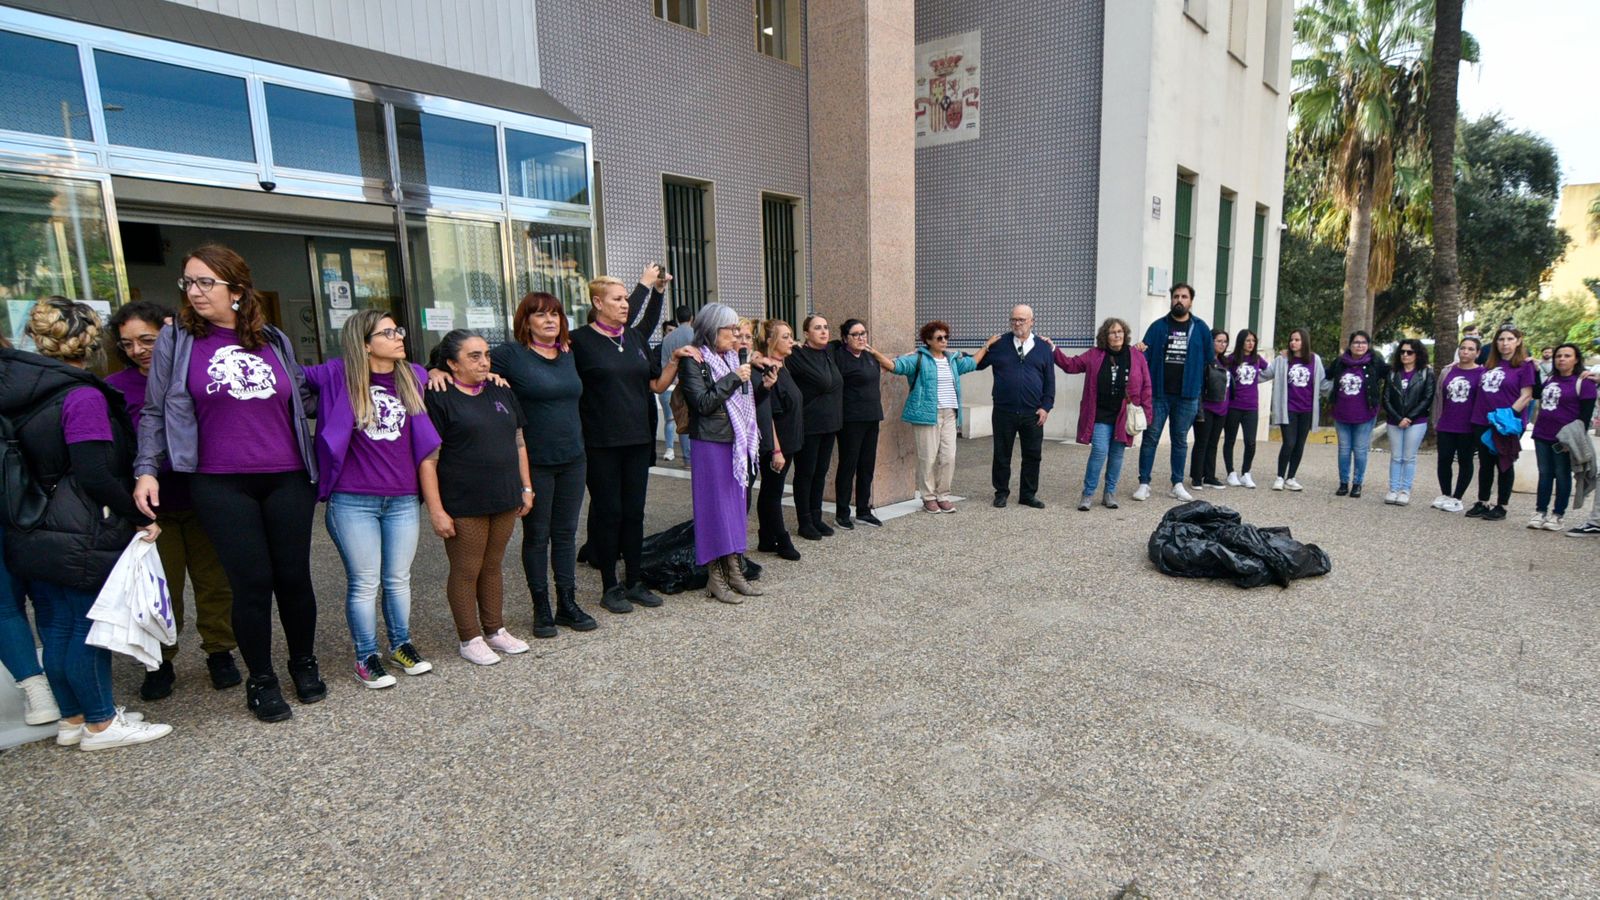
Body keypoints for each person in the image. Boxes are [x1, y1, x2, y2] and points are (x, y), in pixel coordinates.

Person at [134, 244, 324, 723]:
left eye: (205, 283)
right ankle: (261, 681)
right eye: (189, 283)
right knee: (251, 584)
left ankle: (303, 662)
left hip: (287, 477)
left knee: (295, 578)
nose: (194, 292)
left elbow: (301, 395)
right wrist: (146, 468)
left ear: (237, 290)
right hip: (220, 482)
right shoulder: (177, 342)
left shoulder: (273, 338)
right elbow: (155, 410)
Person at [4, 298, 170, 750]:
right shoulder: (81, 396)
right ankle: (100, 722)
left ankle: (72, 719)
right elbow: (94, 471)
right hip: (78, 528)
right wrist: (139, 515)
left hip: (30, 522)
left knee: (55, 625)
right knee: (84, 627)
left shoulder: (20, 394)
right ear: (92, 341)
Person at [105, 301, 239, 701]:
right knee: (160, 590)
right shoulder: (114, 388)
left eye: (147, 339)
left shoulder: (194, 372)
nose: (138, 350)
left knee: (215, 582)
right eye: (127, 343)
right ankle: (159, 661)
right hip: (151, 508)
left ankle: (220, 652)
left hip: (203, 496)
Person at [300, 311, 441, 688]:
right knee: (364, 582)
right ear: (364, 343)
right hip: (352, 501)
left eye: (399, 329)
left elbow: (440, 373)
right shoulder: (335, 374)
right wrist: (317, 407)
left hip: (401, 498)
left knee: (398, 579)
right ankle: (366, 656)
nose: (399, 337)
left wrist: (443, 372)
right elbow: (287, 378)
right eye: (388, 332)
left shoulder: (413, 376)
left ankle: (402, 645)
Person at [570, 266, 686, 614]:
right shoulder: (579, 341)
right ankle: (610, 585)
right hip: (601, 442)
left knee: (634, 512)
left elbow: (654, 379)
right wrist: (643, 285)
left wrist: (676, 358)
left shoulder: (632, 339)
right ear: (597, 302)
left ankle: (634, 580)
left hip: (637, 439)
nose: (623, 305)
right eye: (617, 299)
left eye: (625, 299)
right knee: (610, 512)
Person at [422, 330, 536, 664]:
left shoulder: (500, 388)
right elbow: (429, 459)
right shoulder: (438, 394)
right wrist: (436, 510)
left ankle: (494, 630)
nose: (484, 361)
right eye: (474, 356)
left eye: (486, 354)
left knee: (493, 566)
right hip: (463, 500)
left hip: (503, 494)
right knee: (466, 569)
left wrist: (526, 487)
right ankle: (468, 637)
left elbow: (518, 441)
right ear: (452, 364)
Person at [493, 292, 594, 637]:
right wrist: (434, 371)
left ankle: (567, 602)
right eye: (540, 315)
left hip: (573, 458)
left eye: (555, 314)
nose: (550, 320)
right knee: (537, 536)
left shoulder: (569, 354)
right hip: (534, 462)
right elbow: (458, 361)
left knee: (565, 534)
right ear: (526, 321)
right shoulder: (510, 355)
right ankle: (542, 608)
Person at [677, 304, 764, 603]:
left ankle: (735, 572)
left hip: (735, 444)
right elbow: (701, 403)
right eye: (731, 329)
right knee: (713, 511)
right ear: (713, 330)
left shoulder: (730, 358)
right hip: (710, 442)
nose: (737, 335)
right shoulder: (694, 360)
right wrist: (733, 379)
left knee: (735, 510)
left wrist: (754, 381)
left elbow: (744, 401)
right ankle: (715, 578)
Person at [868, 322, 995, 512]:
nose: (944, 341)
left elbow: (972, 363)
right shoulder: (918, 359)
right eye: (939, 338)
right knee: (927, 458)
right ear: (928, 340)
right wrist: (873, 352)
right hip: (928, 415)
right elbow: (895, 366)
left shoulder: (952, 360)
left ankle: (943, 495)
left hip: (950, 414)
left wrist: (986, 346)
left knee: (949, 457)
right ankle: (928, 497)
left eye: (946, 337)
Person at [1052, 317, 1153, 510]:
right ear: (1105, 336)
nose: (1117, 335)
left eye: (1120, 332)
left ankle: (1110, 493)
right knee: (1099, 451)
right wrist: (1053, 350)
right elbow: (1070, 365)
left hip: (1123, 414)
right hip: (1100, 413)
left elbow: (1147, 386)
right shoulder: (1095, 355)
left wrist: (1147, 415)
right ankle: (1088, 494)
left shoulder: (1136, 356)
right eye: (1112, 332)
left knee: (1117, 454)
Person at [1134, 283, 1213, 501]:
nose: (1179, 300)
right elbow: (1143, 356)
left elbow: (1208, 358)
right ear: (1171, 300)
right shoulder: (1158, 327)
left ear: (1191, 301)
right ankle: (1144, 483)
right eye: (1176, 296)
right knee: (1150, 438)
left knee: (1180, 440)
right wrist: (1138, 348)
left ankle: (1177, 483)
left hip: (1187, 395)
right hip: (1159, 393)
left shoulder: (1200, 328)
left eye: (1184, 297)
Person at [980, 305, 1056, 509]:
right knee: (1002, 453)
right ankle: (1001, 492)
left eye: (1022, 320)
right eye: (1013, 319)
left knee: (1032, 455)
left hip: (1033, 413)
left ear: (1032, 321)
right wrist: (986, 346)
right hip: (1004, 410)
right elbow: (977, 364)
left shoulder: (1043, 348)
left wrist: (1046, 407)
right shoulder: (1000, 344)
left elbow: (1050, 381)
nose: (1017, 323)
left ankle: (1028, 495)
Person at [1465, 326, 1537, 521]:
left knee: (1504, 462)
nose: (1505, 343)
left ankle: (1501, 505)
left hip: (1506, 422)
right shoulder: (1489, 365)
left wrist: (1506, 416)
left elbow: (1527, 395)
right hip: (1481, 419)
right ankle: (1483, 501)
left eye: (1510, 339)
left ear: (1518, 341)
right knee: (1485, 463)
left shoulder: (1525, 366)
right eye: (1501, 339)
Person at [1528, 343, 1596, 531]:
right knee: (1545, 474)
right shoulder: (1551, 379)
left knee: (1562, 474)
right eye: (1559, 356)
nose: (1562, 359)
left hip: (1564, 438)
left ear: (1576, 359)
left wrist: (1572, 440)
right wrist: (1534, 371)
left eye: (1567, 356)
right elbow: (1536, 394)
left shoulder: (1584, 382)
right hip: (1542, 433)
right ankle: (1540, 511)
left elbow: (1585, 417)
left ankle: (1558, 514)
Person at [786, 315, 844, 538]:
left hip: (830, 424)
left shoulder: (830, 351)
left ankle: (816, 516)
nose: (823, 331)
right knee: (806, 473)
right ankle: (805, 521)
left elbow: (848, 341)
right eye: (817, 328)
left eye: (826, 327)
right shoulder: (797, 354)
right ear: (806, 333)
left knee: (821, 473)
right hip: (809, 424)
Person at [753, 319, 803, 560]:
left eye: (791, 335)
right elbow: (768, 414)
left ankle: (765, 537)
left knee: (770, 489)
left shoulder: (784, 365)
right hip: (777, 443)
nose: (791, 340)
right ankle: (782, 540)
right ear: (771, 342)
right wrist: (776, 450)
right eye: (785, 336)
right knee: (773, 491)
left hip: (790, 439)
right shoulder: (767, 370)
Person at [831, 318, 885, 527]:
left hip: (872, 416)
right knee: (848, 466)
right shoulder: (839, 357)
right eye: (856, 334)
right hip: (851, 419)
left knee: (867, 466)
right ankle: (842, 513)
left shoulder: (869, 356)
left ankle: (864, 510)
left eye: (864, 333)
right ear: (845, 338)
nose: (861, 337)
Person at [1325, 331, 1388, 498]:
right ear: (1350, 344)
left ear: (1368, 345)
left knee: (1360, 450)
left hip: (1365, 414)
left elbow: (1391, 373)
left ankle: (1357, 483)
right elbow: (1325, 374)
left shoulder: (1375, 362)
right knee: (1344, 450)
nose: (1359, 345)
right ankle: (1343, 483)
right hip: (1341, 414)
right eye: (1356, 342)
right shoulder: (1340, 362)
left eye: (1363, 342)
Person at [1430, 336, 1483, 512]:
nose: (1465, 352)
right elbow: (1439, 396)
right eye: (1462, 348)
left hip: (1468, 426)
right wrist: (1436, 421)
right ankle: (1445, 493)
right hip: (1446, 423)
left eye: (1470, 349)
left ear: (1478, 353)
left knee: (1465, 461)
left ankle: (1457, 497)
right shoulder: (1448, 371)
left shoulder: (1482, 373)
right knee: (1443, 460)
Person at [1381, 339, 1436, 506]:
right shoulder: (1393, 373)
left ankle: (1405, 490)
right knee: (1396, 456)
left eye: (1409, 352)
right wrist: (1398, 418)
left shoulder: (1426, 373)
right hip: (1394, 420)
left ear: (1417, 354)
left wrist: (1409, 417)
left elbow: (1427, 398)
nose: (1405, 355)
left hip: (1416, 421)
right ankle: (1393, 489)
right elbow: (1386, 398)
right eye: (1402, 352)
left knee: (1409, 457)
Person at [1268, 329, 1324, 491]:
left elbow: (1322, 382)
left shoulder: (1315, 359)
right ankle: (1280, 476)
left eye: (1297, 340)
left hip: (1306, 409)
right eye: (1291, 339)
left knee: (1299, 444)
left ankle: (1291, 477)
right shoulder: (1282, 359)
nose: (1293, 342)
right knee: (1289, 443)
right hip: (1289, 409)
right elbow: (1267, 373)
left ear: (1304, 342)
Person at [1222, 329, 1271, 488]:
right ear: (1241, 342)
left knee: (1250, 442)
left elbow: (1269, 371)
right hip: (1234, 406)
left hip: (1251, 407)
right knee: (1230, 440)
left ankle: (1246, 473)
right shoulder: (1231, 360)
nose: (1251, 344)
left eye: (1253, 341)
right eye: (1248, 340)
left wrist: (1283, 360)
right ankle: (1231, 472)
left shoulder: (1257, 359)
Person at [1189, 331, 1232, 492]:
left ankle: (1210, 476)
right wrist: (1198, 410)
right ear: (1211, 341)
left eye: (1225, 341)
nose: (1222, 344)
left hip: (1222, 409)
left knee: (1213, 443)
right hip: (1206, 408)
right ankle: (1196, 477)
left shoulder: (1225, 361)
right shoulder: (1204, 360)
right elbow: (1199, 387)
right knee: (1202, 442)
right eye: (1219, 341)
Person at [657, 305, 694, 464]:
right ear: (691, 318)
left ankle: (687, 458)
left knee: (678, 421)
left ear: (677, 319)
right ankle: (696, 458)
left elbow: (665, 364)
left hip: (670, 386)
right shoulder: (696, 334)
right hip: (693, 385)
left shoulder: (667, 339)